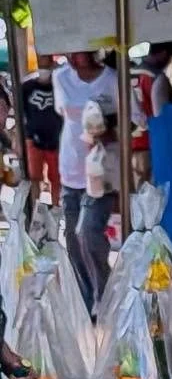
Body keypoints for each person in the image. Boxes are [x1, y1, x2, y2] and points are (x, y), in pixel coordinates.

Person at [52, 49, 119, 313]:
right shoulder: (61, 78)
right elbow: (65, 117)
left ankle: (105, 294)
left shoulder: (112, 79)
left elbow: (135, 121)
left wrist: (106, 130)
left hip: (102, 171)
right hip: (70, 169)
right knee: (71, 238)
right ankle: (86, 297)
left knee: (87, 232)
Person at [19, 56, 62, 199]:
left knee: (56, 178)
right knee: (33, 177)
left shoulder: (59, 84)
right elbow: (21, 111)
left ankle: (56, 207)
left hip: (55, 139)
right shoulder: (27, 87)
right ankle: (37, 208)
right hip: (33, 137)